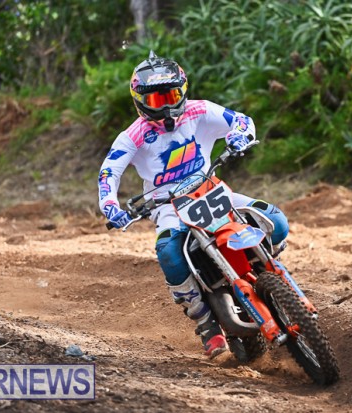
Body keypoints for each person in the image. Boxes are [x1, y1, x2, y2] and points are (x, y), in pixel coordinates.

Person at [97, 51, 289, 358]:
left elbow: (240, 120)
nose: (167, 107)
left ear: (183, 91)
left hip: (210, 188)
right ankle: (206, 322)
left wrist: (240, 136)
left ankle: (268, 270)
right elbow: (109, 172)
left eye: (172, 96)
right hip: (167, 205)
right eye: (157, 99)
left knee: (275, 221)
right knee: (168, 251)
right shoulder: (133, 136)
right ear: (141, 101)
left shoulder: (200, 110)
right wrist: (111, 206)